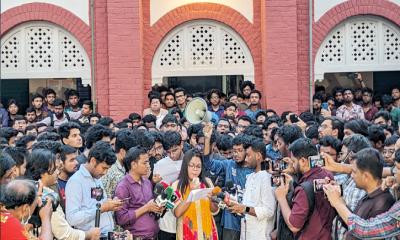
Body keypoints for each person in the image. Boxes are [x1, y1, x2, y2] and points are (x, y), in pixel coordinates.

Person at [25, 149, 101, 240]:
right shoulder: (48, 197)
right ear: (42, 172)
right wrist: (89, 234)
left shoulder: (24, 190)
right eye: (55, 169)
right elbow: (64, 234)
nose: (58, 172)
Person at [274, 138, 336, 239]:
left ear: (302, 161)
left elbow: (294, 225)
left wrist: (281, 198)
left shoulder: (304, 189)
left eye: (294, 161)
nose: (292, 165)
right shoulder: (327, 174)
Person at [203, 124, 253, 240]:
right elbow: (208, 163)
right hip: (230, 221)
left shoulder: (254, 170)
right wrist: (207, 138)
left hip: (249, 220)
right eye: (234, 151)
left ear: (247, 151)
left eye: (240, 151)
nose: (236, 154)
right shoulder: (228, 164)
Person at [65, 141, 123, 237]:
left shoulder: (96, 178)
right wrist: (101, 209)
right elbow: (72, 218)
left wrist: (111, 204)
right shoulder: (76, 182)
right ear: (93, 161)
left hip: (107, 234)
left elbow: (98, 203)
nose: (105, 173)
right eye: (104, 168)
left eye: (108, 169)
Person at [228, 138, 276, 240]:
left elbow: (269, 211)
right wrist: (233, 203)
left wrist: (245, 208)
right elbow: (246, 204)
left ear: (258, 156)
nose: (246, 159)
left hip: (260, 235)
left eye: (249, 155)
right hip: (246, 234)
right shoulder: (250, 177)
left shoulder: (267, 177)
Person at [344, 148, 395, 239]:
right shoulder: (370, 195)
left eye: (354, 172)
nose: (351, 176)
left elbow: (367, 233)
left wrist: (337, 203)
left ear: (366, 176)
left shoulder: (382, 202)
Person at [115, 147, 162, 238]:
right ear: (133, 164)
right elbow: (121, 219)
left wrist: (158, 208)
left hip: (154, 235)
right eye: (145, 163)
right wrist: (146, 208)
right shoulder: (123, 187)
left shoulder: (147, 182)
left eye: (148, 162)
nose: (148, 165)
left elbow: (151, 206)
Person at [173, 149, 219, 240]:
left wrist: (211, 200)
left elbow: (215, 210)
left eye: (198, 166)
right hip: (187, 234)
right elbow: (177, 213)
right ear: (185, 166)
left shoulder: (207, 183)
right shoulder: (176, 186)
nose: (195, 169)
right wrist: (191, 193)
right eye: (192, 165)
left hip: (207, 234)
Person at [155, 131, 184, 240]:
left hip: (186, 218)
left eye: (175, 150)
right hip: (166, 222)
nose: (172, 155)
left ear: (181, 145)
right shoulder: (159, 165)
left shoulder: (191, 162)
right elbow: (157, 194)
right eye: (168, 152)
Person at [101, 129, 139, 199]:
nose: (134, 156)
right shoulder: (112, 170)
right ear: (122, 151)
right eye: (132, 153)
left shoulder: (123, 165)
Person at [57, 145, 79, 211]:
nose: (76, 163)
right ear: (61, 163)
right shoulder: (55, 184)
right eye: (72, 160)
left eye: (76, 159)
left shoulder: (78, 180)